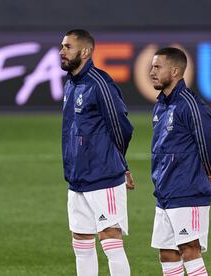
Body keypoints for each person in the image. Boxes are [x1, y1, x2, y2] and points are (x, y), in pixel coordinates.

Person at [59, 29, 135, 276]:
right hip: (77, 177)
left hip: (103, 176)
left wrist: (117, 161)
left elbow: (122, 127)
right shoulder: (71, 83)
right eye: (62, 46)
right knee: (80, 242)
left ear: (85, 51)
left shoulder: (100, 83)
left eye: (68, 47)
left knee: (110, 240)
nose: (62, 52)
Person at [149, 47, 211, 276]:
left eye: (158, 67)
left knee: (190, 249)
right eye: (152, 66)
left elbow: (208, 144)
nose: (152, 71)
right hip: (165, 191)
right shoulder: (160, 105)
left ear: (176, 70)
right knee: (167, 253)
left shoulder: (190, 105)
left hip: (188, 188)